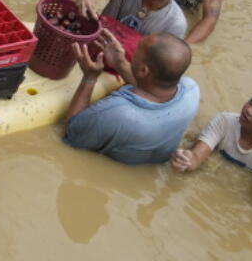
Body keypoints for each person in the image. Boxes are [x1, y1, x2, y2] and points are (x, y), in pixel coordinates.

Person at [63, 32, 198, 165]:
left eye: (137, 49)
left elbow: (72, 133)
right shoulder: (191, 90)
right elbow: (151, 89)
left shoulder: (116, 113)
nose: (132, 52)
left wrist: (89, 77)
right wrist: (120, 63)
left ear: (143, 71)